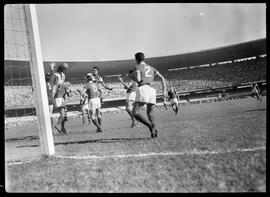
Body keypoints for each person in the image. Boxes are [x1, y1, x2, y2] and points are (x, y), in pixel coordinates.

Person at [132, 52, 167, 138]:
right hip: (152, 90)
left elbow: (139, 80)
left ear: (136, 59)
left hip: (143, 88)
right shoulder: (152, 68)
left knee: (135, 113)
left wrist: (133, 77)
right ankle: (154, 130)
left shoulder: (137, 67)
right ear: (143, 58)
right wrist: (164, 91)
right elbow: (162, 78)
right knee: (150, 113)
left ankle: (150, 126)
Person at [51, 63, 69, 134]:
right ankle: (57, 126)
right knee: (62, 114)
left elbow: (54, 79)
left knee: (63, 114)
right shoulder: (62, 75)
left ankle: (61, 128)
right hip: (58, 96)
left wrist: (52, 67)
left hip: (59, 96)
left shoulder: (58, 75)